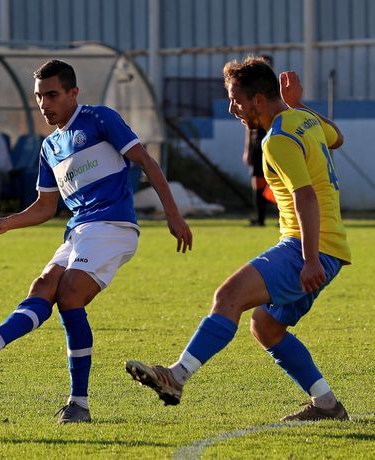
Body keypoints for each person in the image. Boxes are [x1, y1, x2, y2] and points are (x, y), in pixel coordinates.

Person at [0, 60, 193, 424]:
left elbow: (147, 162)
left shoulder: (100, 119)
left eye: (52, 95)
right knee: (44, 286)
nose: (45, 104)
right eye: (39, 97)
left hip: (113, 226)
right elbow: (46, 205)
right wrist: (7, 223)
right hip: (78, 231)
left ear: (73, 93)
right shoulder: (49, 147)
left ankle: (79, 402)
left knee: (70, 293)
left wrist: (173, 214)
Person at [124, 57, 351, 422]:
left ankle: (177, 377)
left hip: (308, 247)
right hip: (328, 248)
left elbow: (305, 197)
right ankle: (326, 404)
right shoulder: (304, 120)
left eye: (236, 100)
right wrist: (299, 104)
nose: (233, 109)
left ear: (259, 100)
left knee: (228, 296)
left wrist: (309, 259)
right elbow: (337, 137)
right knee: (266, 326)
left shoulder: (278, 139)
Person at [244, 55, 275, 226]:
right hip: (257, 144)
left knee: (279, 182)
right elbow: (247, 123)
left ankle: (283, 218)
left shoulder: (273, 90)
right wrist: (247, 149)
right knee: (257, 182)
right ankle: (260, 218)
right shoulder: (249, 90)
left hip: (272, 140)